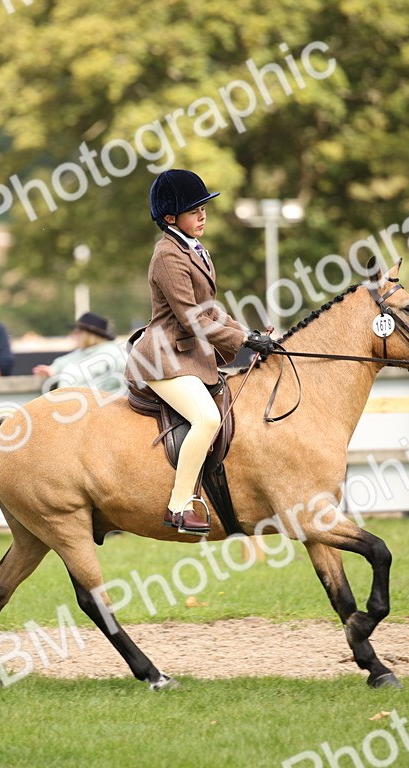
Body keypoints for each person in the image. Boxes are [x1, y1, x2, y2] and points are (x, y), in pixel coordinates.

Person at [125, 169, 274, 533]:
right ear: (170, 217)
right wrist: (242, 343)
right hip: (162, 358)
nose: (203, 215)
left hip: (189, 356)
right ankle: (178, 506)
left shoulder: (194, 249)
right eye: (195, 210)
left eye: (204, 208)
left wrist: (247, 333)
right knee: (208, 418)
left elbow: (210, 311)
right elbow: (192, 319)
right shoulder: (167, 256)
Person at [33, 312, 127, 395]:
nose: (74, 334)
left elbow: (127, 378)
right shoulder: (82, 352)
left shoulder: (114, 353)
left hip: (103, 408)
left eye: (78, 331)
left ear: (89, 335)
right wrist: (52, 370)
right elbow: (61, 362)